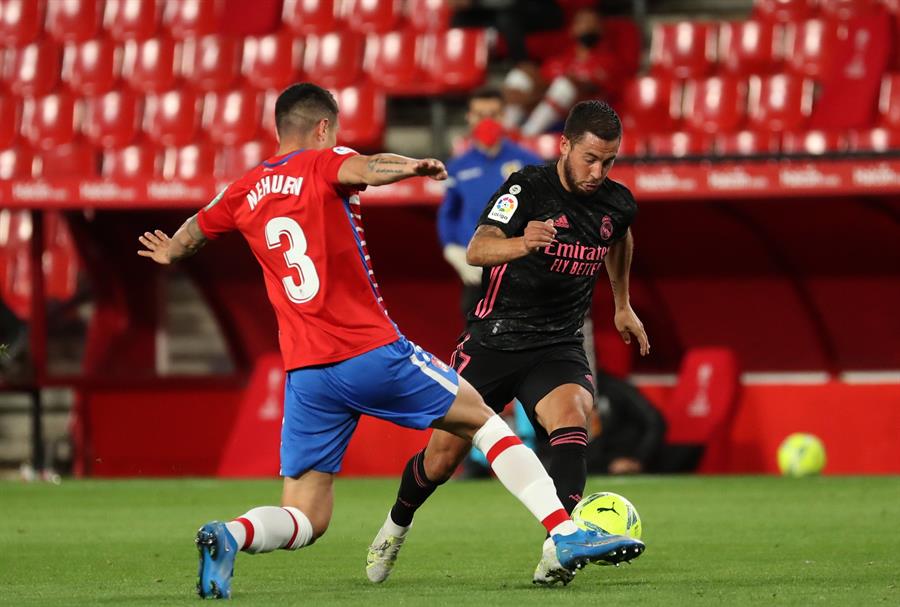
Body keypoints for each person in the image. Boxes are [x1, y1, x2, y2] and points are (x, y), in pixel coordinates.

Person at [136, 83, 643, 599]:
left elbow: (195, 231)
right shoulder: (322, 161)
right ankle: (564, 532)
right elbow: (366, 168)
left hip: (307, 374)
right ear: (322, 129)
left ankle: (231, 533)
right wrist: (413, 167)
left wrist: (170, 251)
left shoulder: (243, 189)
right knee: (485, 423)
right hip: (368, 351)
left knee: (306, 516)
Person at [367, 99, 650, 587]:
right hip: (495, 339)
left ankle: (556, 550)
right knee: (440, 460)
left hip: (557, 343)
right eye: (590, 158)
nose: (597, 171)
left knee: (572, 415)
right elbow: (478, 248)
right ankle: (395, 525)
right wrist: (523, 243)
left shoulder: (616, 202)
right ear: (564, 145)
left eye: (608, 161)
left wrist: (622, 304)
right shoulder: (527, 187)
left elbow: (619, 238)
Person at [439, 88, 543, 323]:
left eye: (493, 114)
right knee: (478, 341)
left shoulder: (528, 162)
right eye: (479, 114)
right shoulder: (457, 166)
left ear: (503, 116)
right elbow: (448, 213)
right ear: (469, 117)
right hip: (477, 272)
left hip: (522, 270)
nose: (486, 121)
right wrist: (452, 250)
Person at [503, 8, 640, 136]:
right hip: (554, 119)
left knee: (564, 87)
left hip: (589, 122)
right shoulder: (560, 61)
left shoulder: (609, 61)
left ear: (601, 29)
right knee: (519, 78)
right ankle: (507, 132)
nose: (588, 27)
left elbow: (595, 93)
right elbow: (543, 86)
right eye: (583, 22)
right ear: (572, 30)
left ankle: (527, 136)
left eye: (592, 23)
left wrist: (534, 98)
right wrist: (531, 96)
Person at [587, 370, 667, 475]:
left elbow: (654, 422)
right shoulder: (567, 392)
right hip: (589, 467)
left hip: (619, 463)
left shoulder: (614, 388)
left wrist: (637, 459)